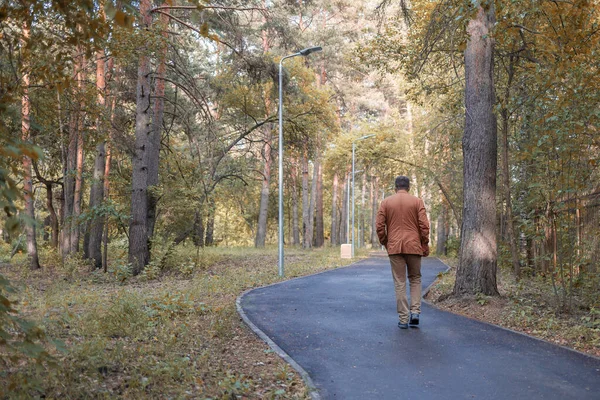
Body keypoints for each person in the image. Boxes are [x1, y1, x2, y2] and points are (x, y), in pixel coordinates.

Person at [376, 176, 430, 329]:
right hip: (414, 245)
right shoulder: (417, 201)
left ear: (395, 187)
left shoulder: (386, 202)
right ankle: (415, 313)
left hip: (394, 247)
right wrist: (424, 243)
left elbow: (379, 226)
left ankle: (403, 318)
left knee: (400, 282)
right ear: (408, 187)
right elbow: (424, 225)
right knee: (415, 278)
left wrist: (385, 242)